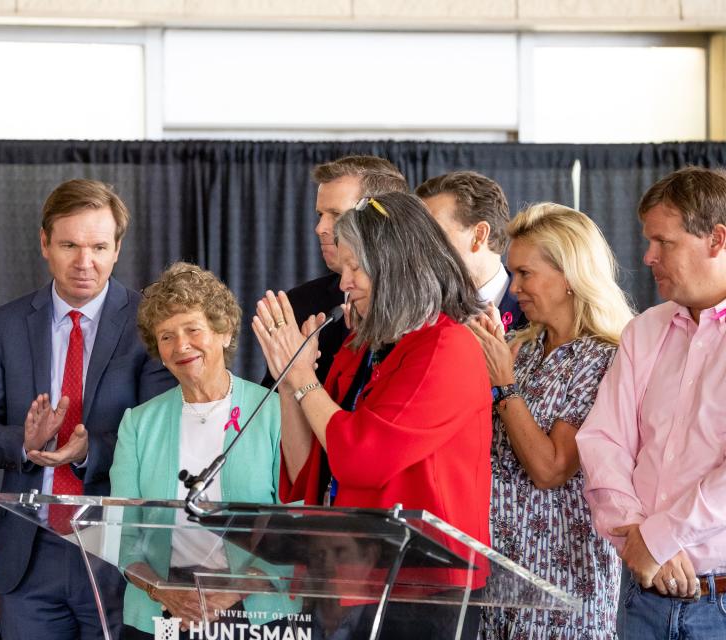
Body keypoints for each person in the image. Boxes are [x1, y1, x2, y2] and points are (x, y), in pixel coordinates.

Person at [254, 192, 491, 639]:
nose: (344, 282)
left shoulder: (446, 347)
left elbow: (362, 458)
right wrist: (289, 382)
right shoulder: (358, 346)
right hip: (342, 577)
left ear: (394, 265)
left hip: (420, 587)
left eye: (355, 268)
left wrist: (306, 380)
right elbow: (310, 469)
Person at [0, 179, 175, 640]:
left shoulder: (149, 325)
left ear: (117, 249)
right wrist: (23, 441)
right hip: (29, 555)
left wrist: (86, 451)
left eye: (98, 246)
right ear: (44, 243)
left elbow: (164, 438)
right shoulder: (4, 324)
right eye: (69, 245)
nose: (84, 262)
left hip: (119, 552)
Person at [469, 204, 634, 639]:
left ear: (569, 277)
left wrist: (503, 386)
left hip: (564, 592)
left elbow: (552, 468)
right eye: (512, 273)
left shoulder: (605, 358)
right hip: (499, 582)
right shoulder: (518, 348)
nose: (514, 286)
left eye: (526, 274)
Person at [576, 166, 726, 639]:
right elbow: (603, 440)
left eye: (664, 242)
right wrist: (635, 535)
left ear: (716, 240)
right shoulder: (645, 330)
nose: (648, 257)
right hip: (641, 593)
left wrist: (660, 538)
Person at [109, 263, 284, 639]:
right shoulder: (138, 425)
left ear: (223, 332)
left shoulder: (273, 412)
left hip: (256, 616)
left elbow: (296, 527)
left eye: (193, 330)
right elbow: (125, 540)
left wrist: (233, 591)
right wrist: (165, 592)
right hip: (161, 613)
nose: (181, 346)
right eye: (167, 337)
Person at [261, 155, 408, 387]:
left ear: (380, 220)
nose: (320, 228)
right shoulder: (299, 304)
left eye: (337, 215)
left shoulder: (425, 310)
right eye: (321, 215)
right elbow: (273, 408)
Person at [417, 171, 526, 332]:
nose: (419, 245)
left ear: (479, 235)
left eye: (434, 233)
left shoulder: (533, 314)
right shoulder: (421, 311)